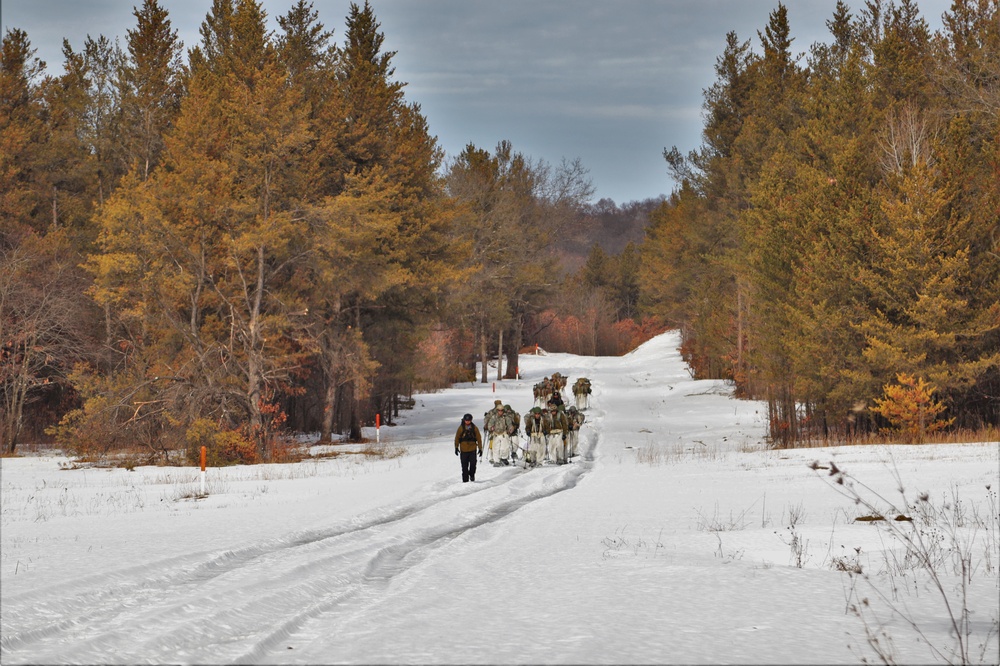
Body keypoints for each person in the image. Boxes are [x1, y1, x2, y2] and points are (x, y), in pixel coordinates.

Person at [454, 413, 483, 482]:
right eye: (466, 420)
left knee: (473, 465)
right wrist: (456, 447)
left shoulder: (474, 428)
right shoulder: (461, 428)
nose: (467, 422)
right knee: (464, 467)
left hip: (472, 449)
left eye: (469, 420)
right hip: (463, 450)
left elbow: (479, 438)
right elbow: (457, 438)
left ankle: (472, 475)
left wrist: (480, 448)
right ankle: (465, 481)